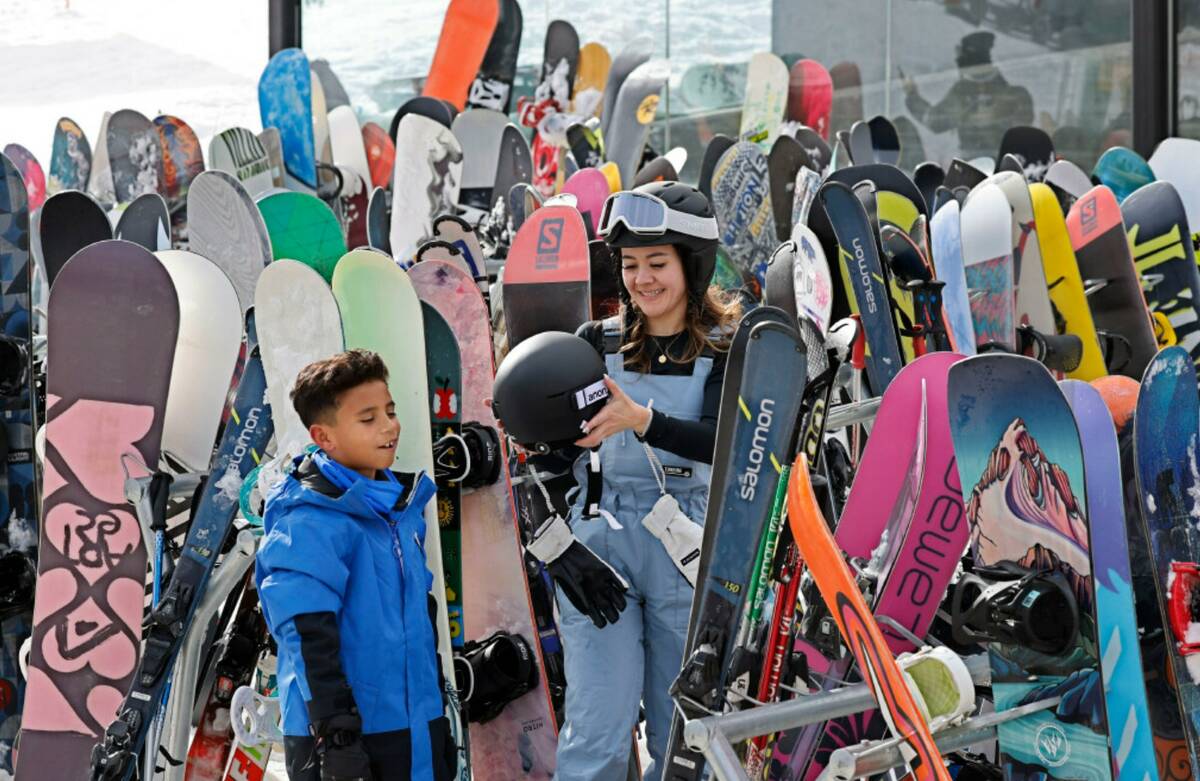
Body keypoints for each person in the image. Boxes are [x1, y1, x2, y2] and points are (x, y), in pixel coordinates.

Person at [557, 181, 740, 778]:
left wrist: (643, 421)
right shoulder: (596, 344)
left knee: (681, 732)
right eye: (630, 265)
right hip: (601, 548)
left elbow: (726, 441)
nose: (642, 280)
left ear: (693, 265)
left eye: (657, 263)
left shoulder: (726, 350)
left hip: (686, 549)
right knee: (597, 726)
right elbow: (550, 458)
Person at [255, 349, 455, 781]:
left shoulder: (400, 510)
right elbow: (307, 636)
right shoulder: (307, 520)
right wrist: (337, 739)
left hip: (414, 726)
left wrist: (436, 716)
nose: (389, 427)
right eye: (368, 419)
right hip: (345, 736)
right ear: (323, 437)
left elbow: (420, 621)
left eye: (390, 411)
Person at [902, 31, 1034, 161]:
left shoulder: (962, 94)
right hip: (1006, 171)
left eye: (961, 57)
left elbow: (934, 121)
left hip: (974, 172)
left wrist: (912, 96)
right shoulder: (1017, 94)